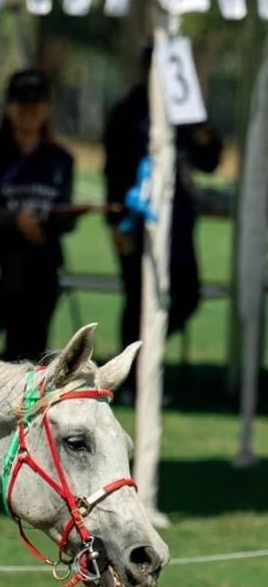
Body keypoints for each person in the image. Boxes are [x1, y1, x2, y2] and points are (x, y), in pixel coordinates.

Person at [104, 47, 222, 356]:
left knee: (187, 294)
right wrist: (116, 223)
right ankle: (129, 376)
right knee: (139, 298)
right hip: (135, 219)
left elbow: (210, 160)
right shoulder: (127, 112)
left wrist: (201, 130)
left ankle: (143, 354)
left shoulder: (186, 113)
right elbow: (113, 173)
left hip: (179, 223)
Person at [0, 69, 77, 363]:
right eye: (21, 103)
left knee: (28, 363)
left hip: (39, 274)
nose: (28, 112)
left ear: (46, 108)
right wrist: (14, 219)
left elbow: (64, 214)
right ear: (9, 107)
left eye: (35, 104)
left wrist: (64, 218)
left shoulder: (60, 159)